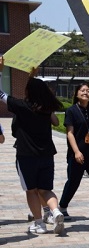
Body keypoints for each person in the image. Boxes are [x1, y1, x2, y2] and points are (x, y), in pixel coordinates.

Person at [0, 59, 66, 235]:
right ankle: (56, 212)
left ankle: (39, 224)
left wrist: (0, 71)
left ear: (28, 92)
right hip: (46, 155)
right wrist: (31, 77)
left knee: (31, 190)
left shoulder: (21, 107)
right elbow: (53, 119)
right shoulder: (46, 109)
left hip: (26, 156)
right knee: (45, 190)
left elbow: (0, 94)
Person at [58, 82, 89, 219]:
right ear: (76, 94)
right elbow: (70, 133)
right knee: (73, 182)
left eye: (88, 91)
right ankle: (62, 207)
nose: (86, 93)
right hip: (77, 153)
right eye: (82, 90)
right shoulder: (71, 111)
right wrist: (76, 152)